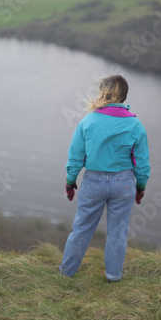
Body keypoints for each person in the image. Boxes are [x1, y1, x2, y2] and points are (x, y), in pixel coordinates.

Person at [59, 75, 150, 282]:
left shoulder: (88, 121)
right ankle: (113, 276)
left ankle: (66, 272)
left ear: (102, 93)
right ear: (124, 96)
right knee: (117, 232)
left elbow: (76, 157)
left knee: (81, 229)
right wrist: (140, 187)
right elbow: (142, 164)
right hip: (124, 184)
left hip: (93, 182)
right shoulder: (136, 126)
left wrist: (70, 182)